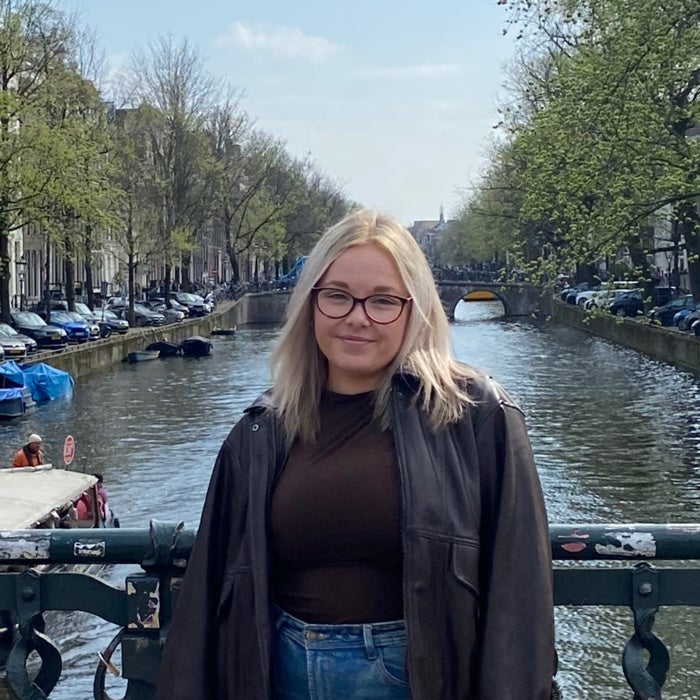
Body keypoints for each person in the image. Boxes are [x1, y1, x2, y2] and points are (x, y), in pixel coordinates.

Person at [156, 210, 558, 699]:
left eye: (383, 300)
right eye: (337, 295)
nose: (357, 317)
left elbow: (519, 594)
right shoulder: (259, 433)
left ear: (415, 310)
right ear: (311, 304)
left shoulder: (474, 415)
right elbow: (208, 595)